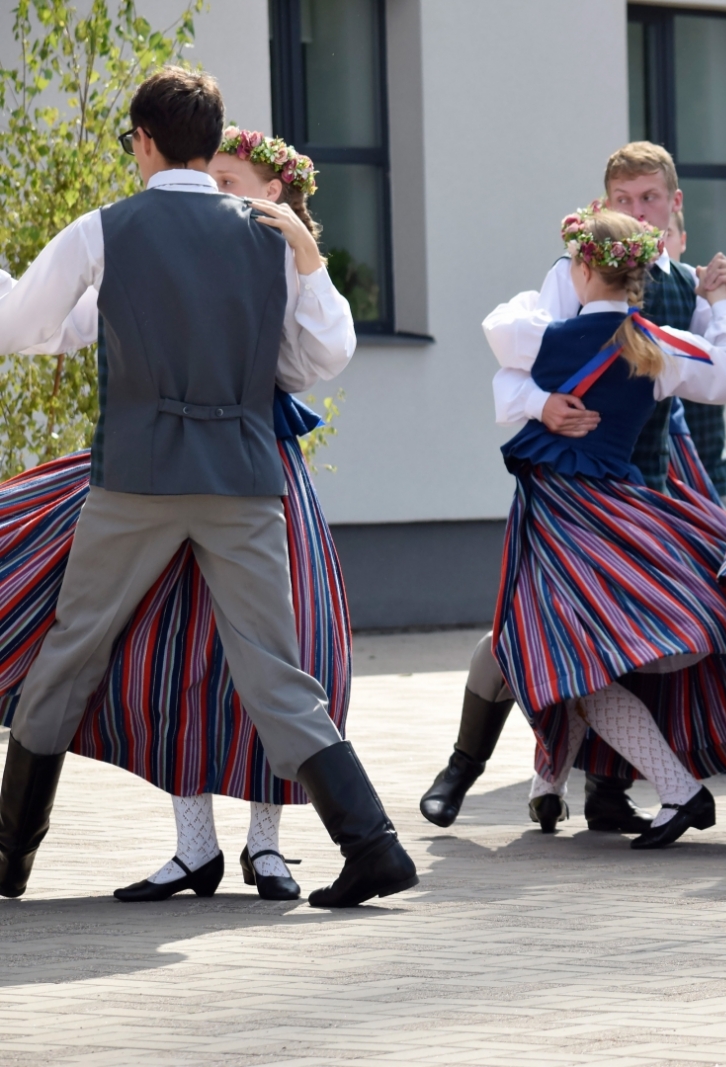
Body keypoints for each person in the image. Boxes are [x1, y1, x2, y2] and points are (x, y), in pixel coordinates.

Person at [0, 68, 415, 907]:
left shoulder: (105, 229)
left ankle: (9, 857)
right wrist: (306, 261)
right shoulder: (266, 232)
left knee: (70, 654)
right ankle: (371, 844)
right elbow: (314, 362)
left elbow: (24, 330)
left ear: (145, 141)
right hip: (243, 476)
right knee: (274, 669)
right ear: (208, 137)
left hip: (141, 477)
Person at [418, 142, 726, 834]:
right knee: (542, 638)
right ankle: (487, 770)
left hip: (614, 497)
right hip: (590, 506)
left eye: (648, 199)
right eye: (625, 201)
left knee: (571, 643)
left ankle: (596, 785)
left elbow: (505, 333)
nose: (637, 211)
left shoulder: (603, 319)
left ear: (671, 206)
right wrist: (543, 404)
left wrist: (722, 304)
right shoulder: (637, 331)